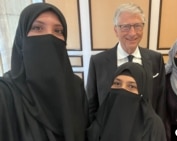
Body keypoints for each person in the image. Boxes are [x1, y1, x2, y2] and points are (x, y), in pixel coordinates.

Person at [0, 3, 88, 141]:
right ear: (22, 38)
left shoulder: (76, 87)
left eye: (58, 31)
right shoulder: (5, 93)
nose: (49, 36)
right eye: (38, 28)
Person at [86, 2, 166, 123]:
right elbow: (91, 105)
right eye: (126, 27)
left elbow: (160, 103)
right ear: (116, 30)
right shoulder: (98, 62)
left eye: (137, 26)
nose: (132, 33)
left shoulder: (156, 59)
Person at [86, 62, 167, 141]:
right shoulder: (101, 118)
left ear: (142, 92)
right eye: (117, 84)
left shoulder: (153, 125)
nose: (122, 89)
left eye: (131, 86)